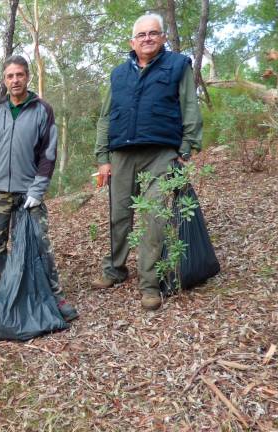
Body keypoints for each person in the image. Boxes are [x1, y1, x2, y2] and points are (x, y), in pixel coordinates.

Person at [91, 14, 203, 310]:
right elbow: (105, 118)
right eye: (141, 35)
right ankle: (114, 269)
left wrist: (186, 148)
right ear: (132, 41)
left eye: (153, 33)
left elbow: (189, 107)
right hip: (121, 154)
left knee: (154, 219)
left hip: (161, 154)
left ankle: (150, 284)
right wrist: (103, 157)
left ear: (163, 38)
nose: (147, 38)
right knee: (119, 216)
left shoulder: (178, 66)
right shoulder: (118, 74)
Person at [0, 55, 78, 321]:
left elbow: (48, 155)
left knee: (38, 243)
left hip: (27, 192)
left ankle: (54, 295)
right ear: (4, 80)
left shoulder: (42, 110)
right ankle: (0, 294)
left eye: (19, 74)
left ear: (27, 76)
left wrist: (37, 191)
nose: (15, 80)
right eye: (10, 76)